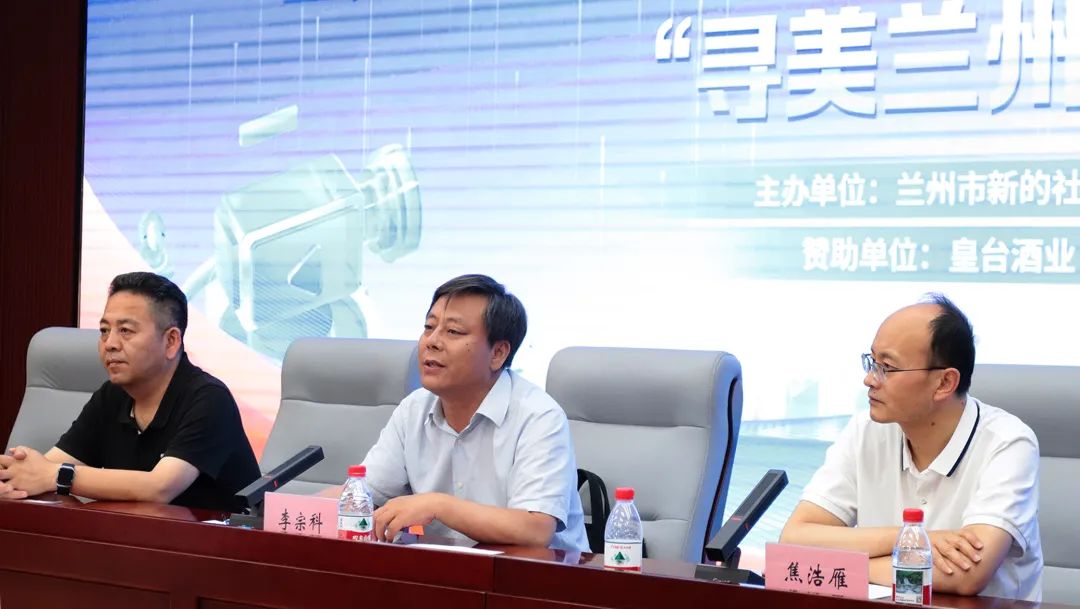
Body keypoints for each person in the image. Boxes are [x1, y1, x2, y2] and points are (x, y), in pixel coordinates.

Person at [780, 294, 1042, 600]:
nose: (869, 379)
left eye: (887, 367)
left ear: (944, 383)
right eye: (871, 362)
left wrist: (841, 565)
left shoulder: (1008, 443)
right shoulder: (866, 430)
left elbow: (966, 575)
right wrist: (913, 540)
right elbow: (794, 538)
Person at [362, 274, 589, 552]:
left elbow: (536, 529)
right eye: (429, 327)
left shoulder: (538, 416)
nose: (432, 342)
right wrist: (312, 506)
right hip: (441, 569)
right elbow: (363, 495)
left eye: (453, 331)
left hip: (535, 572)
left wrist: (437, 505)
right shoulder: (414, 409)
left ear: (498, 353)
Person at [0, 272, 260, 511]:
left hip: (219, 543)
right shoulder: (112, 396)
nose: (110, 344)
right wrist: (14, 477)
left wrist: (56, 475)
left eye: (125, 331)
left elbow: (159, 488)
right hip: (136, 539)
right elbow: (47, 466)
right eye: (104, 331)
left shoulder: (209, 399)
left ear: (171, 341)